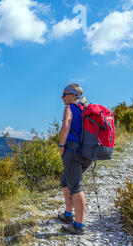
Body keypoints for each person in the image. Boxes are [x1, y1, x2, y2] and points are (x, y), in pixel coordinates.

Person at [58, 83, 92, 235]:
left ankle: (78, 226)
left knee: (76, 187)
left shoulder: (69, 108)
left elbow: (66, 127)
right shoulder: (85, 109)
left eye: (65, 94)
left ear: (73, 96)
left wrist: (61, 145)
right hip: (86, 152)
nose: (62, 97)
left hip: (72, 151)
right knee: (66, 180)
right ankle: (68, 214)